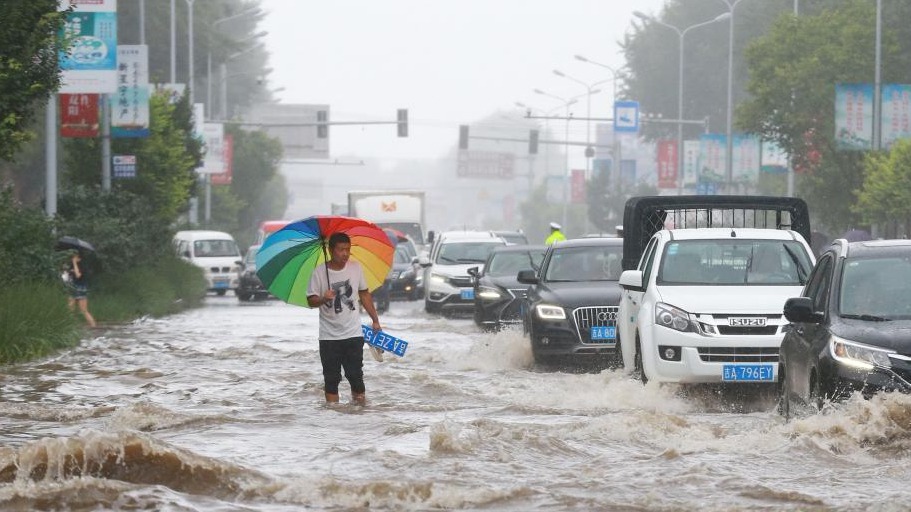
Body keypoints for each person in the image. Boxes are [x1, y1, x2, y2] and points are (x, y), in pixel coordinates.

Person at [306, 232, 382, 405]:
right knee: (331, 381)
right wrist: (324, 298)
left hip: (353, 333)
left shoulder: (355, 268)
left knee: (356, 377)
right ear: (331, 250)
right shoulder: (319, 272)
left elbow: (364, 293)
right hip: (328, 337)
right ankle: (333, 417)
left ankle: (359, 414)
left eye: (348, 249)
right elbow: (310, 301)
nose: (345, 254)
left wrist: (375, 320)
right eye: (341, 250)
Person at [66, 252, 96, 328]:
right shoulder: (71, 266)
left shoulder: (83, 266)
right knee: (70, 309)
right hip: (72, 288)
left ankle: (93, 326)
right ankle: (70, 326)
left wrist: (74, 263)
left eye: (76, 257)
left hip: (81, 288)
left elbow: (78, 275)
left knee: (83, 310)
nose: (74, 259)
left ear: (79, 258)